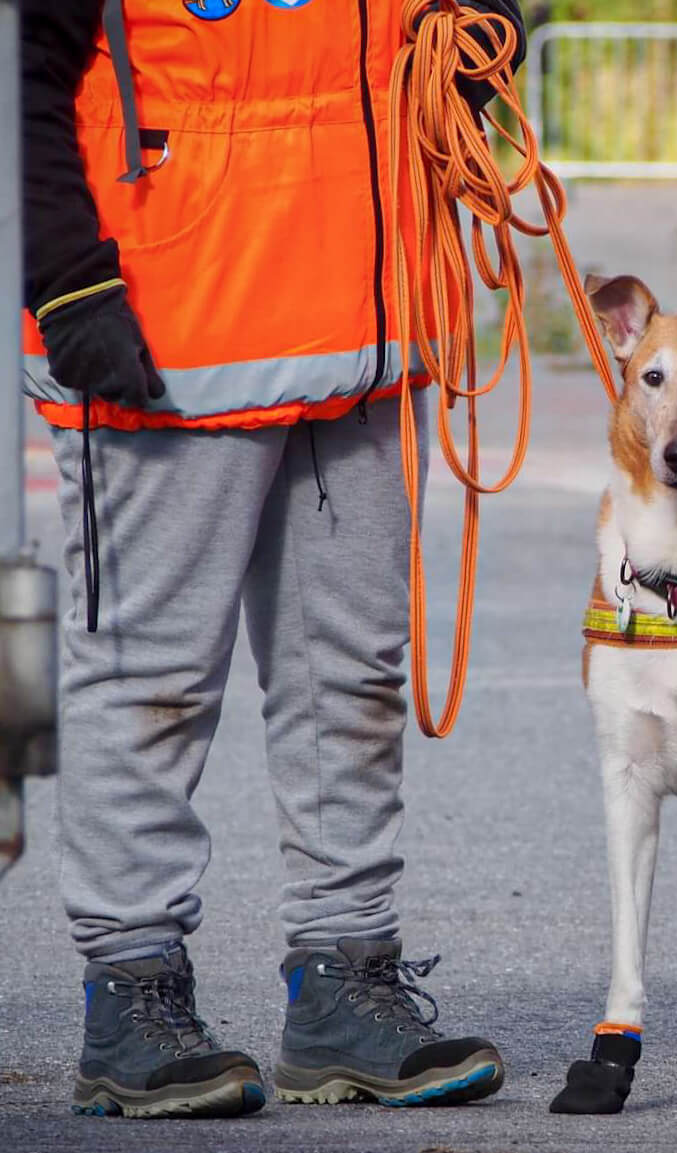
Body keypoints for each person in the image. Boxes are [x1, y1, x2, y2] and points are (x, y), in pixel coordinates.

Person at [21, 0, 523, 1118]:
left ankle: (344, 984)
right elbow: (19, 73)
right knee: (148, 683)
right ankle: (131, 995)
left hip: (369, 316)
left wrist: (485, 33)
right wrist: (63, 275)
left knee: (351, 674)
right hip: (163, 324)